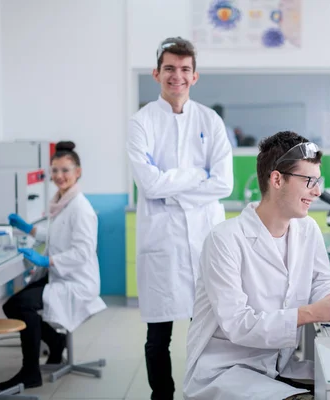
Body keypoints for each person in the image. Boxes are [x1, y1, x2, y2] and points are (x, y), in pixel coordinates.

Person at [183, 131, 330, 400]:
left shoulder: (307, 229)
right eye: (309, 180)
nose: (317, 191)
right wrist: (311, 313)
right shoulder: (224, 240)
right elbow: (238, 324)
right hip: (228, 370)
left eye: (318, 181)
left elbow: (321, 278)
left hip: (278, 364)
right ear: (277, 179)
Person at [126, 36, 233, 400]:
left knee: (207, 328)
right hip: (163, 241)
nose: (177, 76)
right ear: (157, 73)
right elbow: (150, 185)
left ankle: (202, 391)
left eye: (184, 69)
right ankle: (163, 396)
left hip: (204, 238)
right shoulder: (140, 123)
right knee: (158, 336)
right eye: (170, 68)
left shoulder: (210, 120)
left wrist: (172, 181)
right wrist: (197, 175)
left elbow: (224, 183)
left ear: (195, 75)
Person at [0, 141, 107, 389]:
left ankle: (30, 372)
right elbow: (55, 234)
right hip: (60, 274)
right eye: (55, 170)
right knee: (13, 305)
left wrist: (46, 260)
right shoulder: (61, 201)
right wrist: (29, 229)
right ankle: (56, 343)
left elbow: (82, 253)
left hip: (77, 280)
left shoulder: (81, 208)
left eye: (65, 170)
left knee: (21, 305)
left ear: (77, 172)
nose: (59, 176)